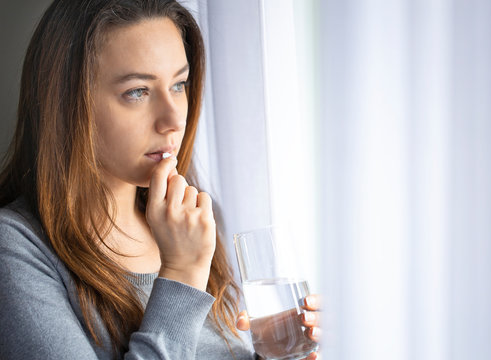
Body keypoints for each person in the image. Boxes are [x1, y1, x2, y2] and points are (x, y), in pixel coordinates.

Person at [0, 0, 321, 359]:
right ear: (66, 101)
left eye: (180, 84)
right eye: (137, 91)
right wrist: (182, 273)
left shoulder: (189, 216)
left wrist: (270, 354)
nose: (172, 120)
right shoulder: (15, 247)